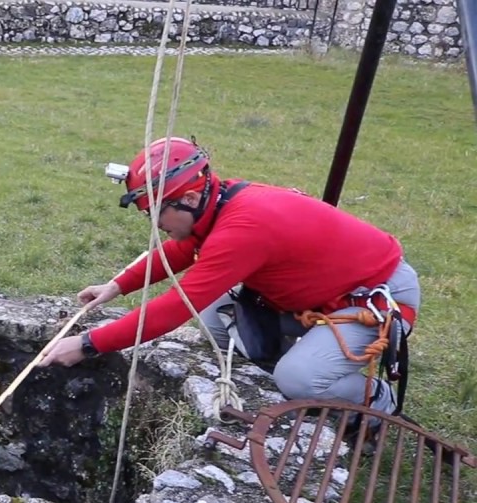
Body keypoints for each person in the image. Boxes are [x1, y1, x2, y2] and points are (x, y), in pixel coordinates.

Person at [38, 137, 420, 422]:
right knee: (213, 314)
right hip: (314, 297)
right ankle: (290, 367)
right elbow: (181, 250)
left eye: (156, 213)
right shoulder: (217, 200)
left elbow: (175, 307)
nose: (153, 224)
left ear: (187, 198)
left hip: (371, 301)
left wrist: (89, 344)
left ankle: (375, 403)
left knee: (297, 380)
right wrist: (117, 286)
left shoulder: (245, 226)